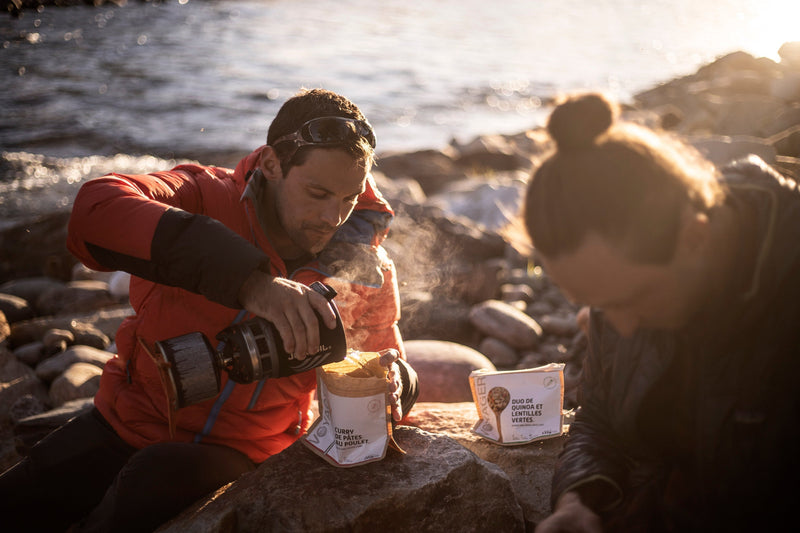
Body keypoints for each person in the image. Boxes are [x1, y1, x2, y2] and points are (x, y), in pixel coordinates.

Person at [0, 88, 418, 532]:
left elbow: (392, 370)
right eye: (317, 193)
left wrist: (395, 384)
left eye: (349, 198)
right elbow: (93, 211)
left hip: (245, 454)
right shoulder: (201, 196)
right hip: (125, 424)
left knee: (152, 478)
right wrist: (251, 283)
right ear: (272, 164)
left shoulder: (363, 267)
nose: (333, 217)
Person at [523, 93, 800, 532]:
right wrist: (580, 500)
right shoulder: (621, 288)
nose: (620, 326)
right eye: (596, 304)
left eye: (631, 299)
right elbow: (599, 418)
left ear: (696, 236)